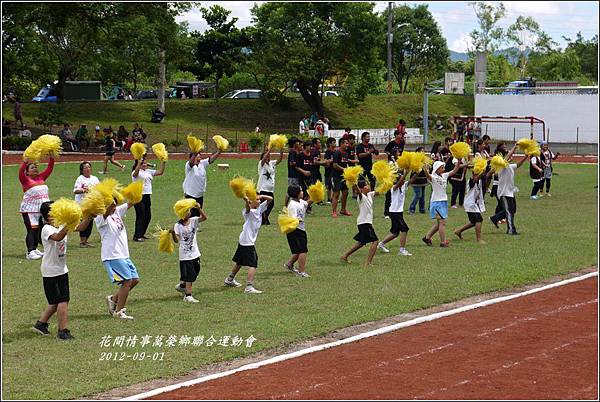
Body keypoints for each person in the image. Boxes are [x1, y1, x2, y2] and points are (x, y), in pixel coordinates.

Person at [32, 201, 93, 340]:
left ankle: (40, 325)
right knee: (63, 300)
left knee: (55, 302)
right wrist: (69, 223)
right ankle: (63, 331)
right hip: (51, 271)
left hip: (61, 269)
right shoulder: (47, 229)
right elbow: (58, 237)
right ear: (48, 216)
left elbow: (81, 227)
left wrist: (89, 216)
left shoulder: (59, 225)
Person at [96, 198, 140, 320]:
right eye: (111, 204)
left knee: (135, 280)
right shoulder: (100, 217)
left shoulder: (116, 212)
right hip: (112, 255)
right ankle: (119, 311)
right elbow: (107, 211)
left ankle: (114, 299)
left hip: (124, 254)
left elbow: (132, 202)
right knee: (127, 281)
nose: (114, 206)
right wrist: (110, 205)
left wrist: (137, 191)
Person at [224, 194, 273, 294]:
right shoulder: (249, 212)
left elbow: (271, 199)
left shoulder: (259, 208)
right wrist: (247, 201)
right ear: (251, 202)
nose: (259, 201)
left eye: (260, 200)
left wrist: (260, 195)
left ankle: (229, 279)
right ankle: (249, 287)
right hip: (247, 242)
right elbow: (247, 209)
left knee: (240, 262)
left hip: (244, 240)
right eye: (257, 200)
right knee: (253, 263)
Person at [19, 157, 54, 260]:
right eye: (32, 168)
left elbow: (50, 168)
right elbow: (20, 171)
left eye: (36, 167)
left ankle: (34, 249)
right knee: (31, 230)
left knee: (38, 229)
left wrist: (51, 157)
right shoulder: (25, 179)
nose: (35, 169)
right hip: (29, 210)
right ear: (27, 172)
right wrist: (25, 162)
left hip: (41, 209)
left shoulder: (41, 177)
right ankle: (30, 252)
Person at [422, 159, 463, 247]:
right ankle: (443, 242)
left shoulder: (444, 175)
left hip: (443, 201)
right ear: (436, 168)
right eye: (441, 167)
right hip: (436, 202)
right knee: (442, 222)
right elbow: (427, 175)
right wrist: (425, 169)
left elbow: (454, 171)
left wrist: (459, 161)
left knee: (439, 223)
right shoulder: (433, 177)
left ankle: (427, 237)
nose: (443, 168)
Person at [171, 203, 207, 303]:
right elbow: (176, 240)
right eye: (187, 211)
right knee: (190, 275)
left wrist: (199, 209)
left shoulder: (193, 220)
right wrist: (173, 233)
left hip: (195, 253)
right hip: (185, 256)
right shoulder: (177, 226)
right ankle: (188, 296)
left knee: (196, 272)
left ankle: (182, 286)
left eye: (189, 211)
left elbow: (204, 218)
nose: (189, 213)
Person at [489, 144, 528, 235]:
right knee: (510, 211)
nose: (511, 157)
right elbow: (507, 156)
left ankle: (494, 218)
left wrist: (526, 157)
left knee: (513, 210)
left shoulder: (509, 166)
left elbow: (518, 165)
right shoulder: (501, 165)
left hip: (510, 192)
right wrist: (514, 147)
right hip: (504, 192)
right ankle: (511, 230)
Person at [341, 180, 381, 266]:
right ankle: (368, 262)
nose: (369, 186)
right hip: (364, 223)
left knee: (361, 242)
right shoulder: (361, 196)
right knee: (375, 241)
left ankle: (345, 256)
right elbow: (357, 190)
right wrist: (354, 182)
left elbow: (379, 192)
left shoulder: (370, 194)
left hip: (365, 222)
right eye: (366, 185)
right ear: (362, 188)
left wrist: (385, 181)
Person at [377, 170, 417, 256]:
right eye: (401, 180)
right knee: (405, 229)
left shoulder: (403, 186)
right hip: (394, 212)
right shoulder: (393, 188)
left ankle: (381, 244)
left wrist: (417, 171)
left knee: (395, 233)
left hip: (398, 212)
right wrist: (406, 173)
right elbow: (399, 183)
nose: (403, 182)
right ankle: (402, 250)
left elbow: (412, 180)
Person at [132, 155, 166, 241]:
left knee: (148, 216)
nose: (145, 164)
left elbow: (160, 172)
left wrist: (163, 162)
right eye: (143, 163)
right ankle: (137, 236)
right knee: (141, 215)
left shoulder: (148, 171)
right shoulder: (136, 172)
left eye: (145, 162)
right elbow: (135, 174)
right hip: (139, 196)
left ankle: (142, 233)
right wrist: (138, 164)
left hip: (147, 195)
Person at [454, 168, 490, 244]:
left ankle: (459, 231)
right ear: (473, 174)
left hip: (473, 204)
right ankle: (479, 239)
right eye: (477, 174)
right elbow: (475, 179)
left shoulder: (480, 181)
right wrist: (481, 173)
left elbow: (488, 175)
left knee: (473, 221)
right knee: (479, 219)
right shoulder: (470, 180)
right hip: (470, 204)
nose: (478, 176)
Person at [283, 185, 313, 277]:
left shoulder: (300, 202)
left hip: (300, 229)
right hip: (296, 231)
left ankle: (289, 264)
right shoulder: (292, 205)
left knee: (298, 250)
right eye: (301, 191)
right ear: (296, 193)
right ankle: (301, 272)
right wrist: (299, 219)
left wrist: (316, 195)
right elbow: (293, 219)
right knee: (303, 250)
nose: (303, 192)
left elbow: (307, 203)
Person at [73, 161, 100, 247]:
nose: (88, 169)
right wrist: (84, 190)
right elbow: (75, 191)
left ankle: (86, 241)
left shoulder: (95, 178)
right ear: (82, 170)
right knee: (84, 223)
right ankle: (82, 241)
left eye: (89, 167)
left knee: (90, 223)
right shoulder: (80, 179)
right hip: (82, 205)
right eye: (85, 168)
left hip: (92, 205)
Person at [257, 146, 284, 225]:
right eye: (266, 156)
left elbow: (280, 160)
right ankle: (263, 218)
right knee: (264, 204)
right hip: (263, 188)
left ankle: (265, 217)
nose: (268, 157)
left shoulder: (271, 164)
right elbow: (264, 159)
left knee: (271, 204)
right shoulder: (261, 164)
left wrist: (281, 150)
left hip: (270, 189)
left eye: (269, 156)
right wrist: (269, 150)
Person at [331, 137, 352, 217]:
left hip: (344, 177)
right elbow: (335, 165)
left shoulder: (346, 153)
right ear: (341, 144)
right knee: (336, 194)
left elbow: (345, 163)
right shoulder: (337, 153)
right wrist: (344, 169)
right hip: (336, 176)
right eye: (346, 143)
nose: (347, 145)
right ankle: (334, 211)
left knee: (345, 192)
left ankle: (343, 210)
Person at [408, 147, 428, 214]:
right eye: (421, 151)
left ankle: (422, 209)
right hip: (416, 181)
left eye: (423, 151)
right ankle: (411, 209)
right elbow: (414, 170)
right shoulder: (414, 160)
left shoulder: (424, 160)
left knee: (422, 196)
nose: (423, 153)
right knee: (418, 195)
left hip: (423, 180)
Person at [284, 138, 302, 207]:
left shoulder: (295, 151)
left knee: (294, 189)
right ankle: (285, 206)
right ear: (294, 144)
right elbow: (291, 163)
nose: (299, 144)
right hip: (293, 174)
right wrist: (298, 163)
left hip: (295, 174)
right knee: (291, 190)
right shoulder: (292, 152)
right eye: (297, 143)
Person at [323, 137, 337, 204]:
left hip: (335, 171)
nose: (335, 143)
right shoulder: (328, 152)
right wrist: (330, 161)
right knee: (328, 186)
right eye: (333, 142)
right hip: (328, 171)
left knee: (334, 185)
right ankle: (329, 199)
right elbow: (326, 161)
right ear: (330, 144)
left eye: (335, 142)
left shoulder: (336, 151)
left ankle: (333, 198)